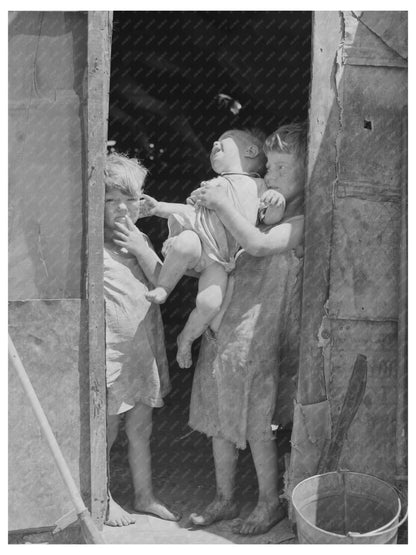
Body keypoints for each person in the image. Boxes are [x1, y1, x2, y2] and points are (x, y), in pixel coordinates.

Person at [187, 122, 306, 536]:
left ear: (308, 172)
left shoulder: (301, 219)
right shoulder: (254, 205)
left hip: (263, 333)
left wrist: (222, 206)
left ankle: (268, 502)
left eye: (282, 168)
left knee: (258, 421)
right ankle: (224, 498)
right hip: (229, 323)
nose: (270, 176)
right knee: (219, 409)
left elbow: (256, 245)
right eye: (268, 166)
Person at [142, 129, 286, 368]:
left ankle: (186, 338)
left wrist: (276, 204)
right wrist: (159, 208)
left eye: (223, 141)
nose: (214, 142)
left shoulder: (260, 186)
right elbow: (191, 213)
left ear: (250, 151)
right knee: (186, 241)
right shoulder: (210, 185)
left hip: (220, 260)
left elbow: (268, 221)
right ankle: (164, 287)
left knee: (209, 304)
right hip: (200, 245)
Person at [103, 152, 179, 526]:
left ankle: (144, 495)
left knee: (141, 428)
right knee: (108, 428)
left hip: (142, 351)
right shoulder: (92, 247)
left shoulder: (141, 239)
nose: (121, 208)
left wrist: (141, 249)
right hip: (112, 356)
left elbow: (163, 280)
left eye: (130, 199)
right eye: (110, 200)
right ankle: (101, 498)